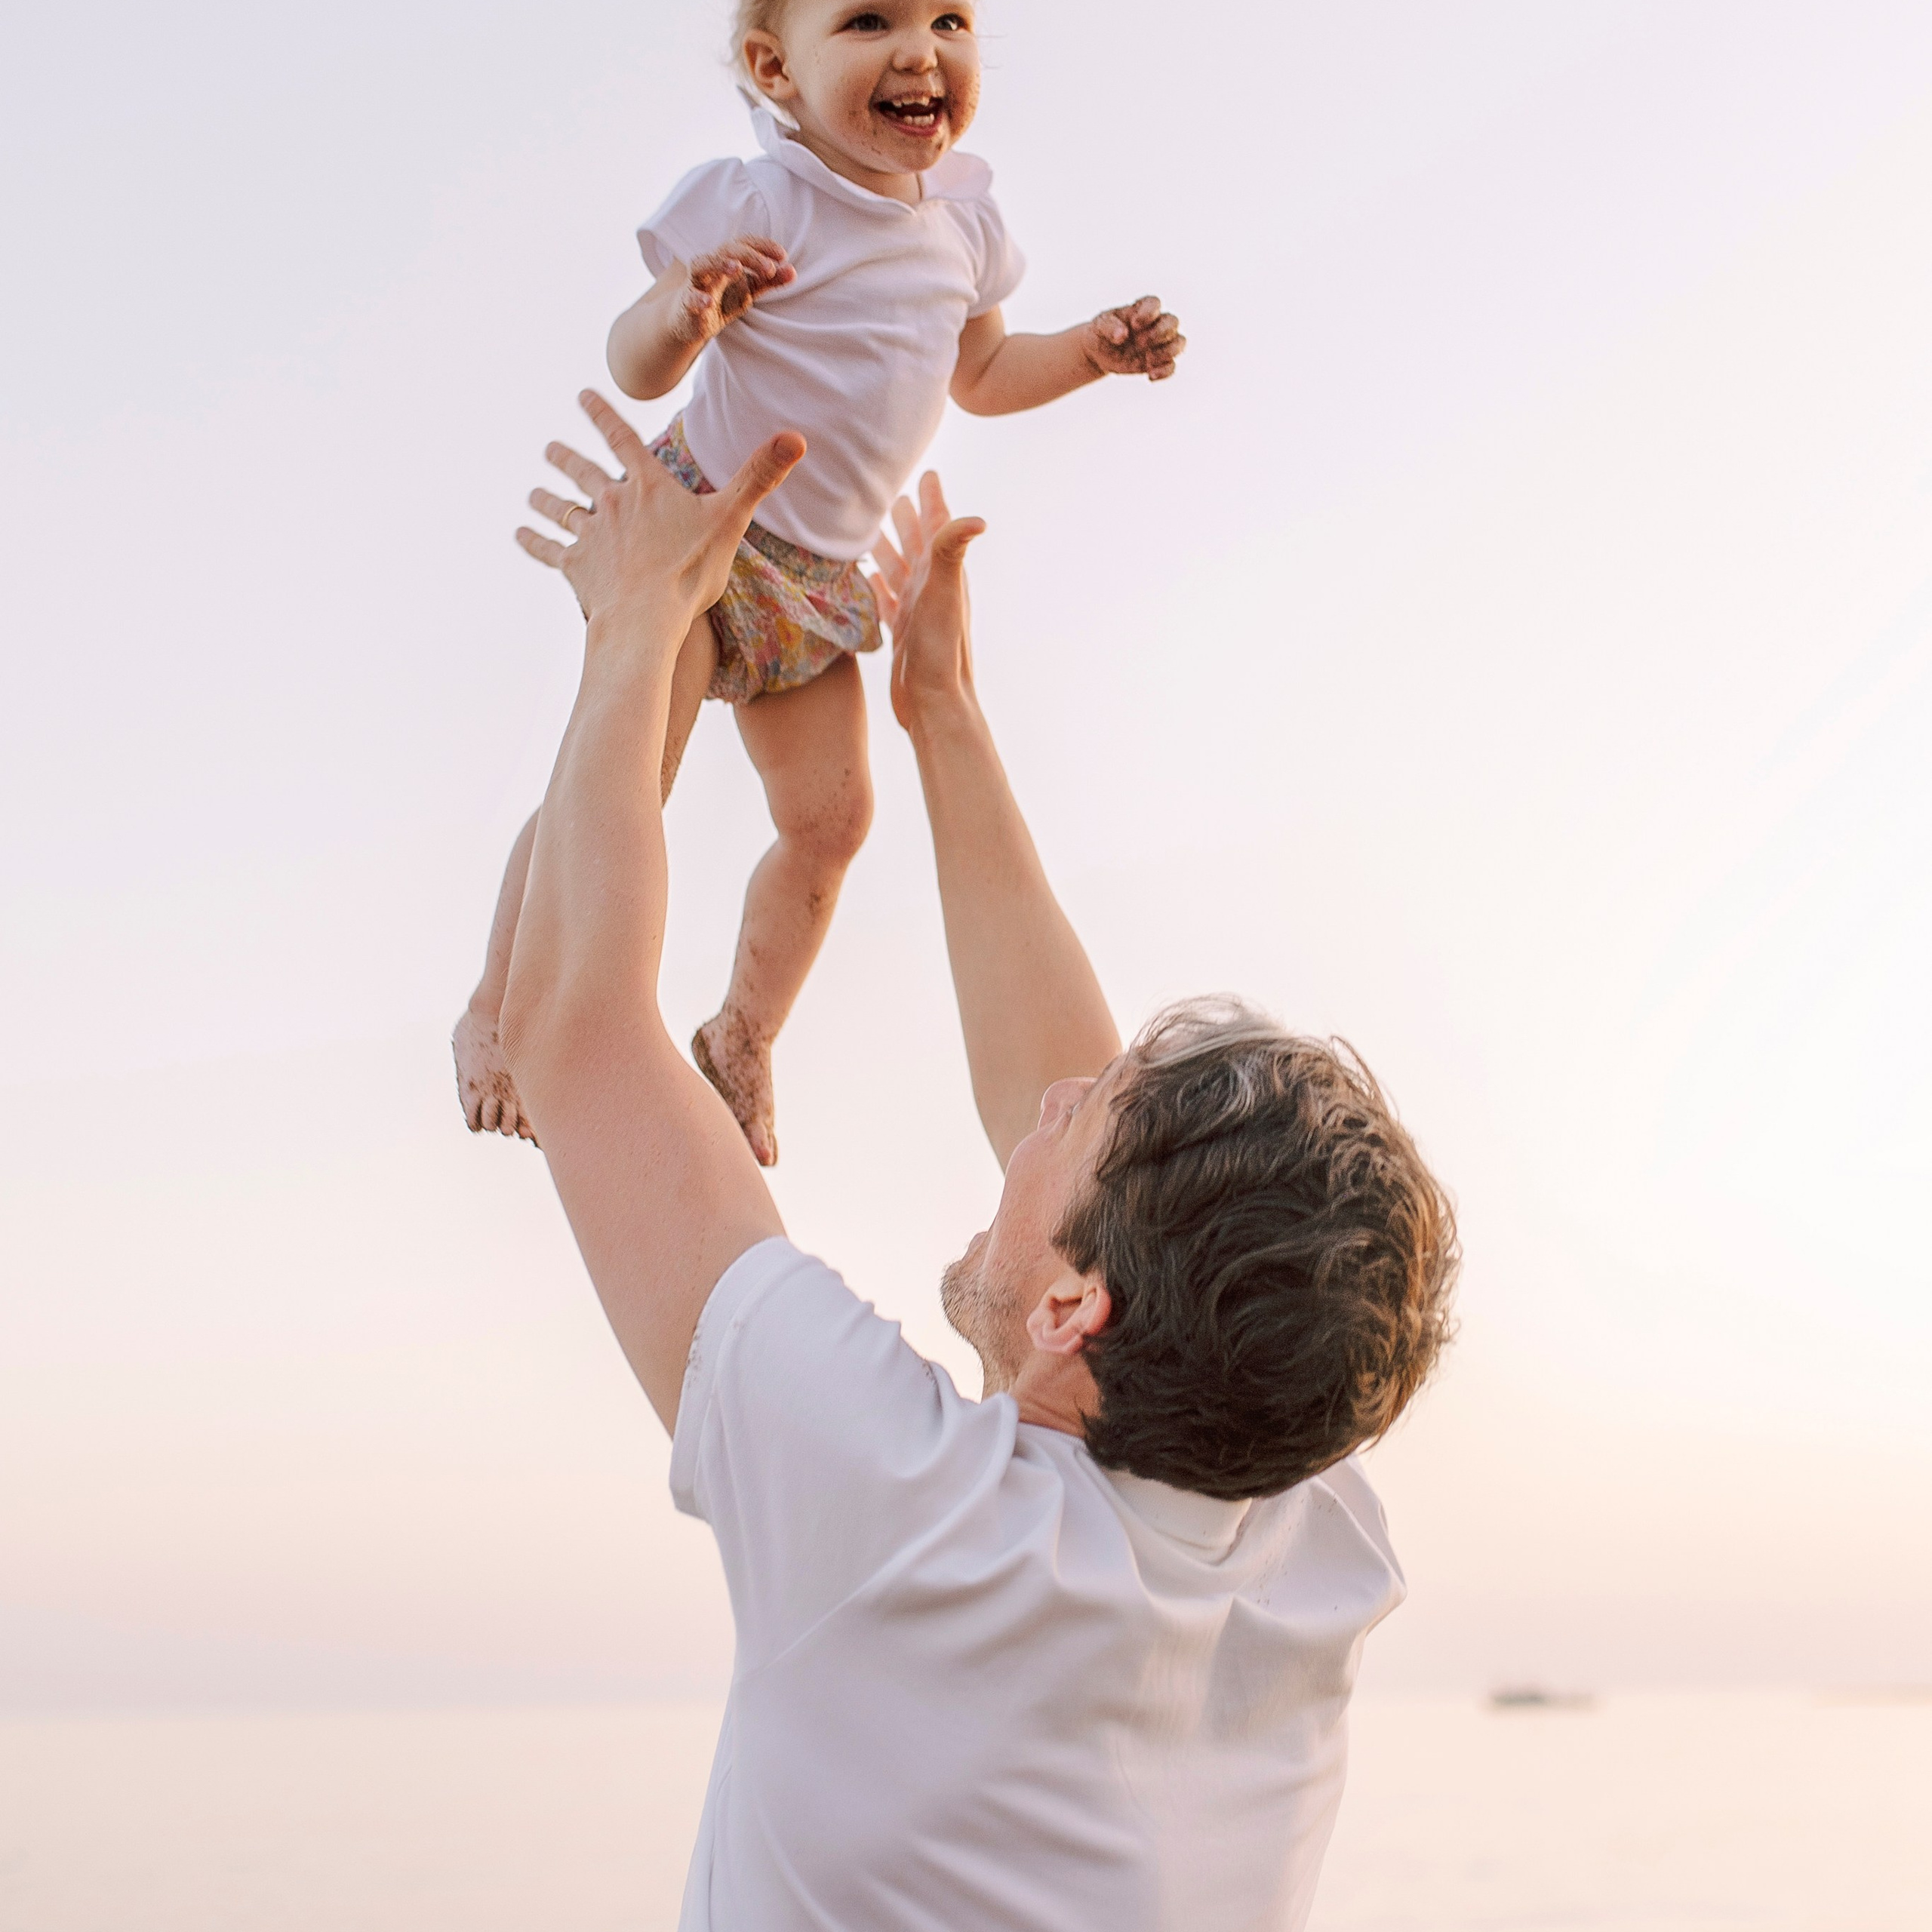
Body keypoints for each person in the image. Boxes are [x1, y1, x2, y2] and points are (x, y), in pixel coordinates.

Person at [501, 393, 1459, 1932]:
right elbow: (1113, 1167)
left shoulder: (906, 1521)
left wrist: (633, 620)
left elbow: (574, 1031)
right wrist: (938, 705)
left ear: (1076, 1310)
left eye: (1069, 1123)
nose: (1035, 1105)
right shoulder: (1298, 1519)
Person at [455, 0, 1186, 1163]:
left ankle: (742, 1034)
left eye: (948, 17)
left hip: (818, 580)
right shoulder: (760, 201)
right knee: (624, 775)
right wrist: (683, 311)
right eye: (866, 21)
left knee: (834, 821)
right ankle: (498, 1007)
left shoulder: (965, 227)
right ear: (773, 69)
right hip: (702, 534)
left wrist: (1091, 354)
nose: (919, 49)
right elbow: (631, 364)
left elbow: (985, 374)